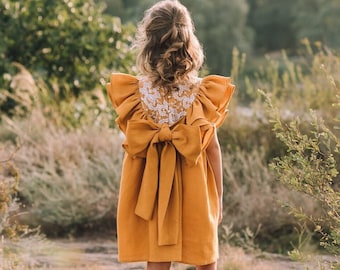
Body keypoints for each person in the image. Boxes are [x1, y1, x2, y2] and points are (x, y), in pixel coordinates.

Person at [107, 1, 235, 269]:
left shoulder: (135, 93)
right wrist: (219, 198)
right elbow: (212, 149)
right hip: (196, 185)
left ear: (148, 43)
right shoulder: (202, 93)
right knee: (205, 255)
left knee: (158, 256)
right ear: (189, 41)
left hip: (153, 188)